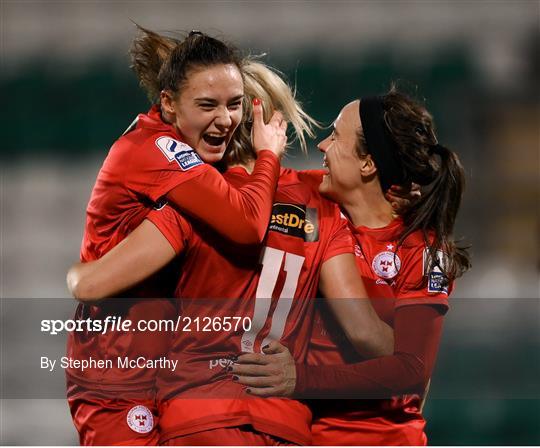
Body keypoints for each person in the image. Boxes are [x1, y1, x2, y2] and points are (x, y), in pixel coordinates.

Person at [68, 58, 396, 445]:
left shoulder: (194, 203)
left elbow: (92, 284)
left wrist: (77, 272)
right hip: (283, 423)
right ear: (274, 127)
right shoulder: (321, 210)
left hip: (201, 416)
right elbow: (366, 334)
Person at [66, 27, 293, 446]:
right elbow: (247, 226)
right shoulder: (158, 151)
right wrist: (268, 156)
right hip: (116, 375)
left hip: (168, 376)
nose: (224, 120)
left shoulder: (191, 166)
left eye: (235, 105)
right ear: (168, 103)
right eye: (207, 105)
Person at [230, 88, 471, 445]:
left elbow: (413, 371)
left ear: (368, 164)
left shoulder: (423, 250)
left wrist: (301, 379)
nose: (323, 146)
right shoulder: (309, 195)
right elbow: (234, 181)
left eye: (336, 136)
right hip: (305, 433)